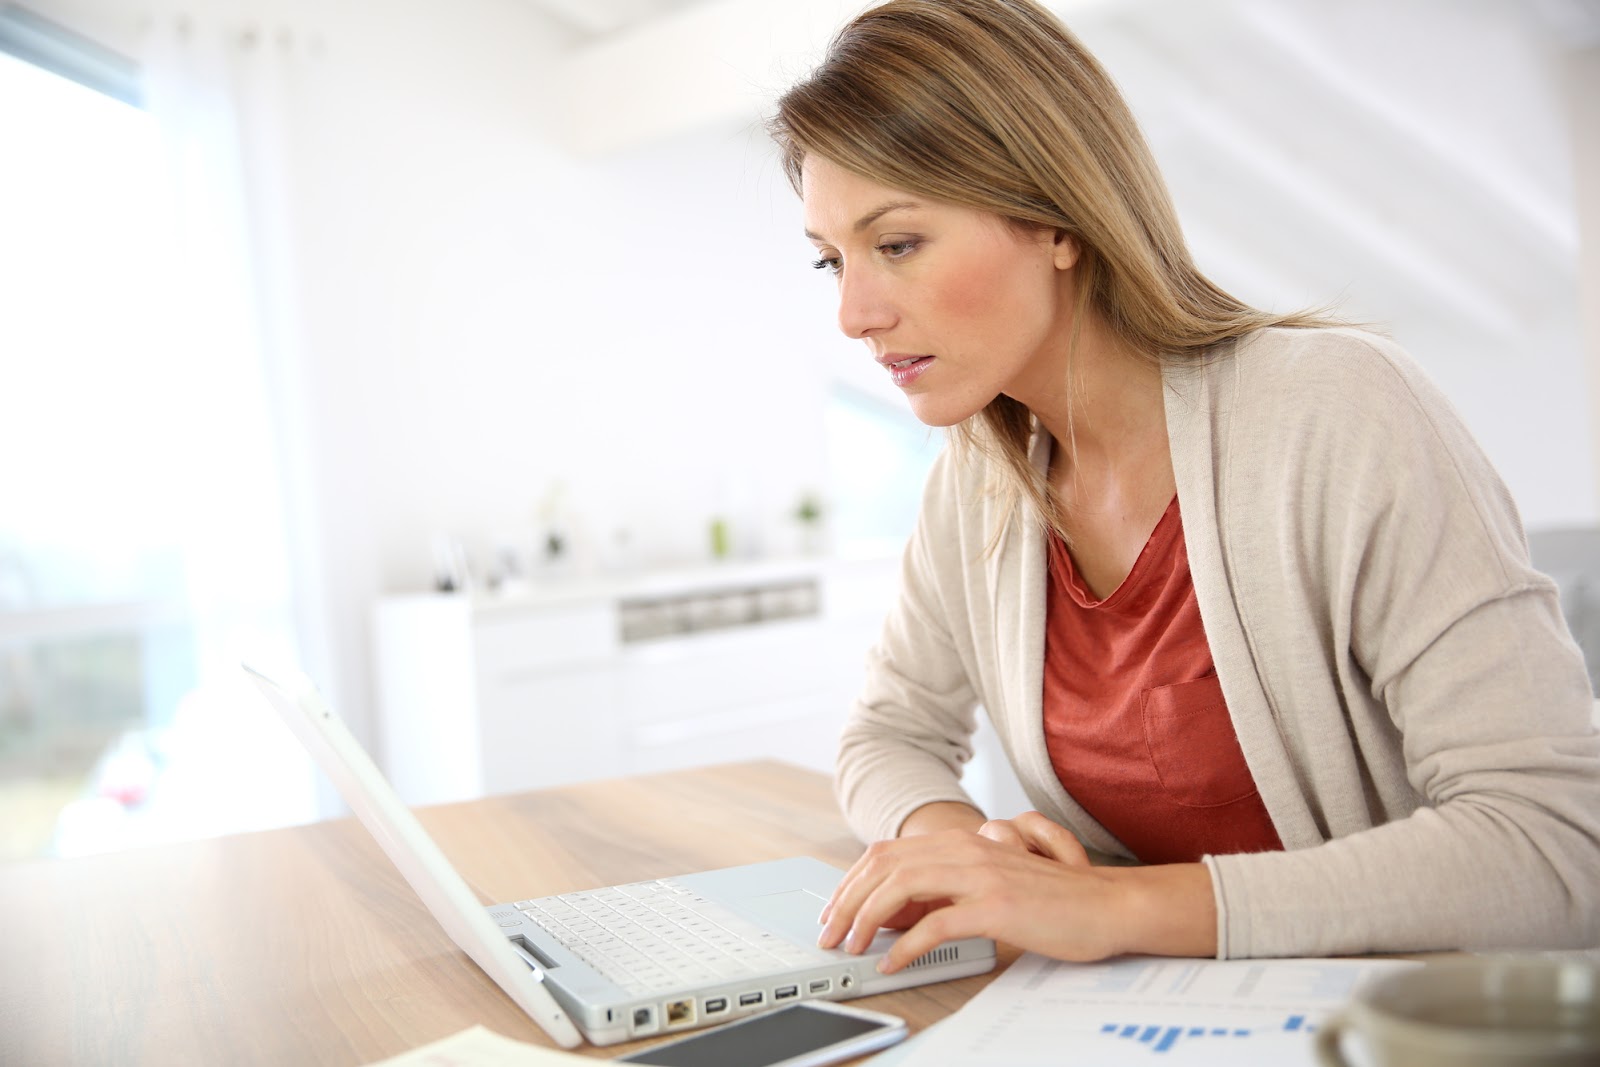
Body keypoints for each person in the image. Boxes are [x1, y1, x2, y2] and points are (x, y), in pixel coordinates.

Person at [768, 0, 1600, 968]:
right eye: (830, 261)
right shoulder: (981, 480)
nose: (852, 314)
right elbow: (889, 730)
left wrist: (1111, 908)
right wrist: (950, 840)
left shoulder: (1335, 410)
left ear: (1054, 221)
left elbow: (1554, 842)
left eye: (897, 244)